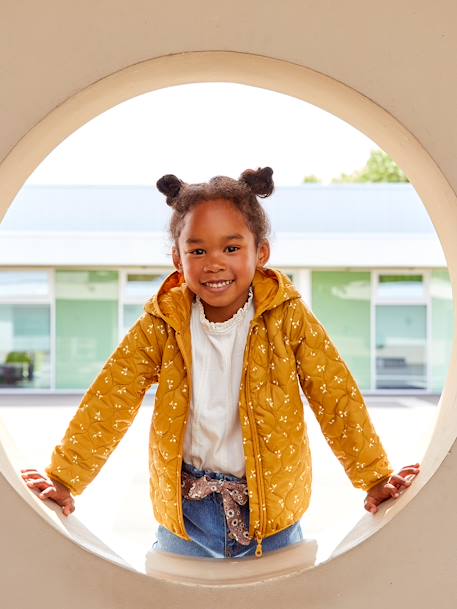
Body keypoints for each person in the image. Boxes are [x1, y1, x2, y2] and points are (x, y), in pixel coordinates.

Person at [21, 167, 420, 559]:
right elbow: (111, 397)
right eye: (198, 250)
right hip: (186, 516)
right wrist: (63, 479)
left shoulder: (286, 316)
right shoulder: (163, 323)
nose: (214, 263)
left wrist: (374, 477)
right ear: (178, 259)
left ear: (260, 252)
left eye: (231, 248)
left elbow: (334, 395)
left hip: (273, 516)